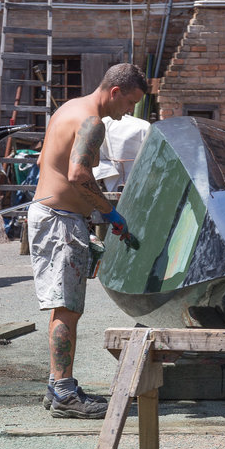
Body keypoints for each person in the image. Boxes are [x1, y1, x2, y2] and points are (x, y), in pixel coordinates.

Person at [28, 63, 148, 419]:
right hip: (59, 222)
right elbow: (79, 174)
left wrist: (88, 212)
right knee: (67, 308)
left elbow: (44, 160)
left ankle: (58, 385)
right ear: (115, 92)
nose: (127, 114)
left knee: (62, 306)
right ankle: (65, 395)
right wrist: (108, 212)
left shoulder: (68, 108)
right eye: (129, 103)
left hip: (55, 216)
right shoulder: (92, 123)